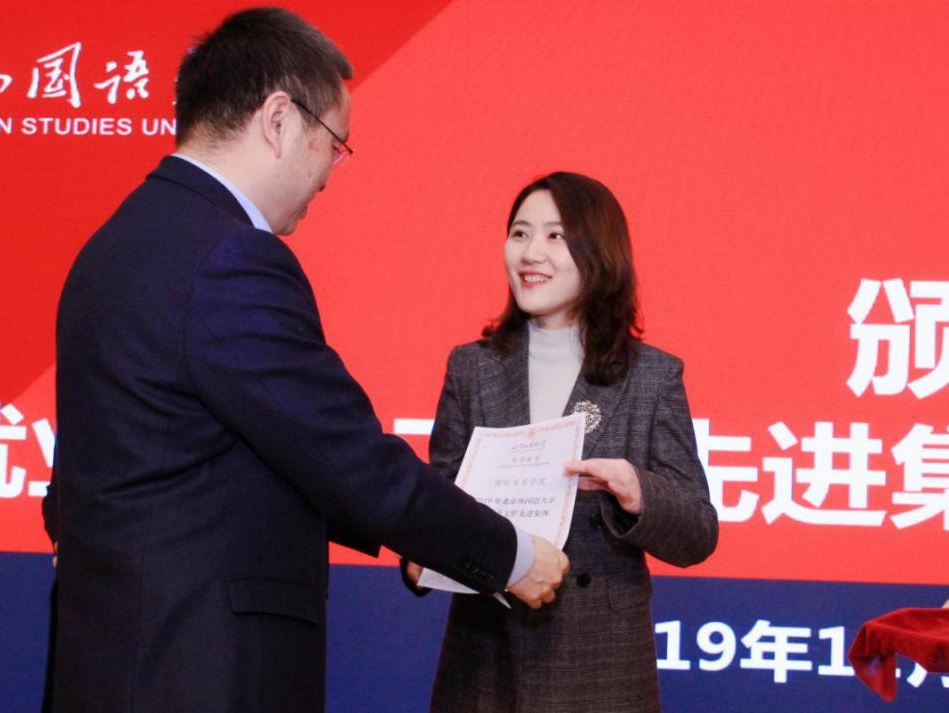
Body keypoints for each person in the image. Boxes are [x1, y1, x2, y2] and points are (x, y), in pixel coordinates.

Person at [41, 8, 569, 713]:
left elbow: (102, 476)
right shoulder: (230, 258)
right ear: (279, 120)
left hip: (112, 661)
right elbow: (344, 454)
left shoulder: (114, 244)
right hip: (199, 669)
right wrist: (510, 556)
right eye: (335, 144)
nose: (329, 174)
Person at [403, 172, 719, 712]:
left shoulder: (650, 376)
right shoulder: (473, 368)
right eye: (520, 233)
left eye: (555, 235)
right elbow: (438, 498)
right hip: (486, 657)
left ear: (600, 252)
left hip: (600, 664)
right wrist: (418, 554)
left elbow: (699, 533)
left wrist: (637, 491)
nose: (531, 253)